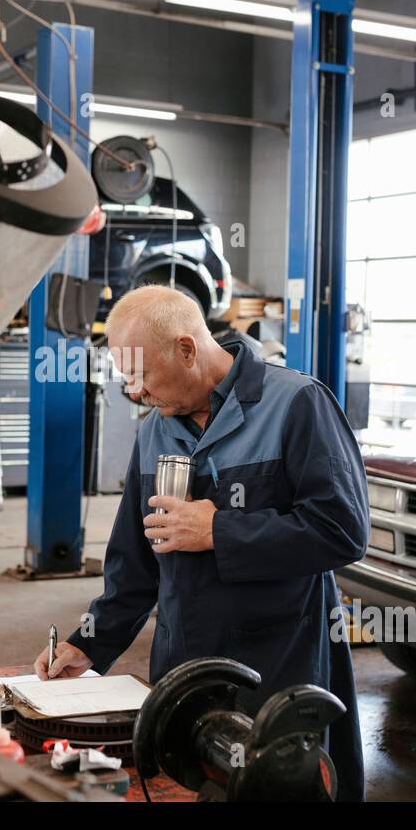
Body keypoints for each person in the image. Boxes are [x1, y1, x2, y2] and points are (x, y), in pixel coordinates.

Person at [32, 285, 370, 801]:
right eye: (126, 380)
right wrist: (89, 643)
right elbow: (135, 566)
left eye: (141, 377)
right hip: (182, 672)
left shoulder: (297, 404)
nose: (136, 393)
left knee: (281, 790)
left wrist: (219, 530)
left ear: (187, 349)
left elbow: (342, 530)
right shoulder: (153, 432)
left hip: (277, 670)